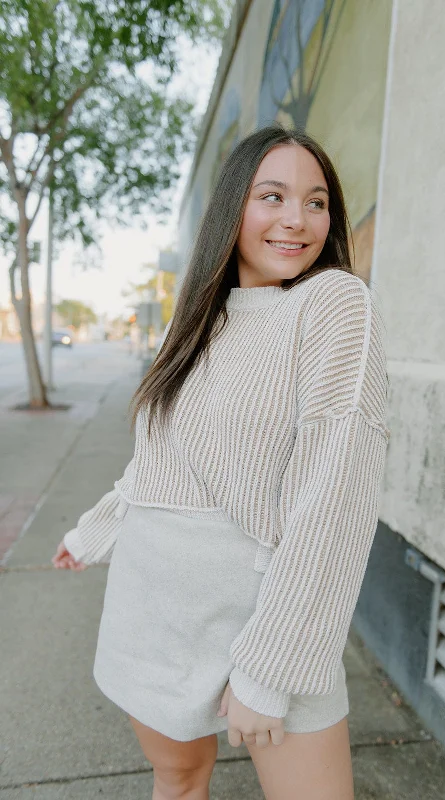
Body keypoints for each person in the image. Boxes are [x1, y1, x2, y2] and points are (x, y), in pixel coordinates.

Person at [52, 124, 390, 800]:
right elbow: (162, 455)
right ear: (233, 206)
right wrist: (99, 525)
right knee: (177, 777)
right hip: (155, 604)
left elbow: (335, 497)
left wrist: (272, 667)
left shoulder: (334, 305)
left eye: (317, 201)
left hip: (263, 612)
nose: (297, 219)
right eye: (273, 196)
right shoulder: (199, 318)